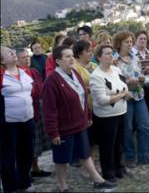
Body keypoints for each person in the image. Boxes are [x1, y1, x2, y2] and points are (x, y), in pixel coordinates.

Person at [42, 45, 115, 191]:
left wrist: (87, 115)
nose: (71, 59)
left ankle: (97, 180)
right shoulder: (52, 80)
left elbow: (83, 96)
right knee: (61, 158)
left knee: (85, 153)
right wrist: (53, 132)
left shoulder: (75, 73)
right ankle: (63, 186)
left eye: (72, 55)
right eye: (67, 56)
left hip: (79, 123)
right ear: (57, 61)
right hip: (63, 128)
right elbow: (49, 109)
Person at [90, 44, 131, 182]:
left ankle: (119, 167)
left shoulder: (116, 69)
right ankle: (108, 171)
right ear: (99, 57)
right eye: (107, 54)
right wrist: (121, 95)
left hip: (121, 111)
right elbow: (101, 100)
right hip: (106, 116)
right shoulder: (96, 75)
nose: (110, 56)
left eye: (111, 53)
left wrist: (126, 94)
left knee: (119, 143)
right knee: (107, 145)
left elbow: (124, 87)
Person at [113, 31, 149, 167]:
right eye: (126, 42)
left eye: (131, 41)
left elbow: (139, 73)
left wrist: (142, 78)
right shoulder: (114, 61)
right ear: (119, 44)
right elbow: (112, 81)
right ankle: (129, 157)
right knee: (127, 129)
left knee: (145, 126)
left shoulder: (135, 58)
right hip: (124, 98)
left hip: (139, 95)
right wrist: (127, 82)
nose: (130, 44)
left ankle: (143, 156)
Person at [0, 46, 35, 192]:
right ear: (1, 60)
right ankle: (10, 186)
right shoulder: (1, 75)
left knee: (27, 152)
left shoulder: (25, 72)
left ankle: (24, 182)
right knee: (8, 155)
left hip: (28, 118)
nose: (13, 53)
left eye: (12, 51)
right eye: (8, 52)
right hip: (8, 123)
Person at [16, 49, 52, 178]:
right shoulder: (16, 74)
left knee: (36, 142)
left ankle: (35, 168)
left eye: (27, 56)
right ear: (16, 60)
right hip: (26, 111)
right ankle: (26, 172)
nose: (26, 59)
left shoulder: (34, 71)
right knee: (29, 142)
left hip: (38, 107)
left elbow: (40, 88)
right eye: (23, 57)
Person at [132, 30, 149, 136]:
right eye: (140, 39)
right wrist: (142, 72)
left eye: (144, 39)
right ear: (135, 40)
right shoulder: (132, 54)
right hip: (139, 86)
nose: (143, 41)